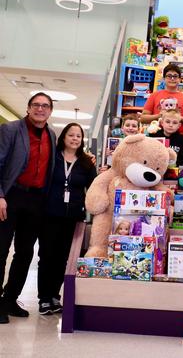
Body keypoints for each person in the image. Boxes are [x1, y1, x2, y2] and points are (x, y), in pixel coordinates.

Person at [0, 93, 56, 324]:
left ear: (50, 110)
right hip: (11, 196)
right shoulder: (11, 129)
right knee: (1, 250)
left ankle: (10, 299)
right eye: (36, 105)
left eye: (45, 106)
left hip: (35, 201)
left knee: (25, 253)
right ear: (28, 108)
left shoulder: (52, 135)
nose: (40, 109)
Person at [38, 123, 96, 315]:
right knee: (47, 256)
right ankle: (44, 298)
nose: (74, 139)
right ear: (63, 137)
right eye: (71, 135)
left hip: (73, 217)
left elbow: (93, 188)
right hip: (49, 214)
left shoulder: (87, 163)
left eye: (78, 136)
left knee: (63, 258)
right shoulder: (52, 158)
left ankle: (55, 296)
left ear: (82, 140)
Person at [140, 63, 183, 135]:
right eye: (169, 76)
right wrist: (160, 115)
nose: (172, 79)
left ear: (179, 79)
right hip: (156, 136)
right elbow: (143, 119)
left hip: (178, 139)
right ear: (164, 78)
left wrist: (179, 118)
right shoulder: (154, 95)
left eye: (175, 76)